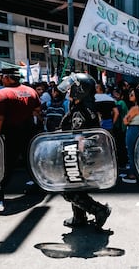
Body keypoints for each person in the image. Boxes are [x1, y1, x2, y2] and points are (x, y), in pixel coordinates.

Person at [57, 73, 111, 229]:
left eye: (71, 88)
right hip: (87, 156)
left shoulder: (80, 111)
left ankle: (99, 210)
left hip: (79, 156)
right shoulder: (87, 106)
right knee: (76, 186)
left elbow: (79, 138)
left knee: (70, 190)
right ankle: (78, 217)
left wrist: (74, 158)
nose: (68, 91)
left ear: (80, 90)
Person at [0, 68, 41, 211]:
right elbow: (37, 111)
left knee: (5, 165)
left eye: (2, 77)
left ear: (7, 77)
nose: (1, 79)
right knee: (30, 162)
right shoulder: (31, 91)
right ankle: (38, 185)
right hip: (29, 132)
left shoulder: (3, 93)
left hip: (10, 134)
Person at [122, 88, 139, 183]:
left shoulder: (134, 108)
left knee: (131, 152)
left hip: (133, 129)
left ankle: (132, 174)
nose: (129, 96)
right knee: (138, 153)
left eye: (132, 95)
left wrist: (126, 119)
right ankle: (138, 173)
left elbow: (125, 121)